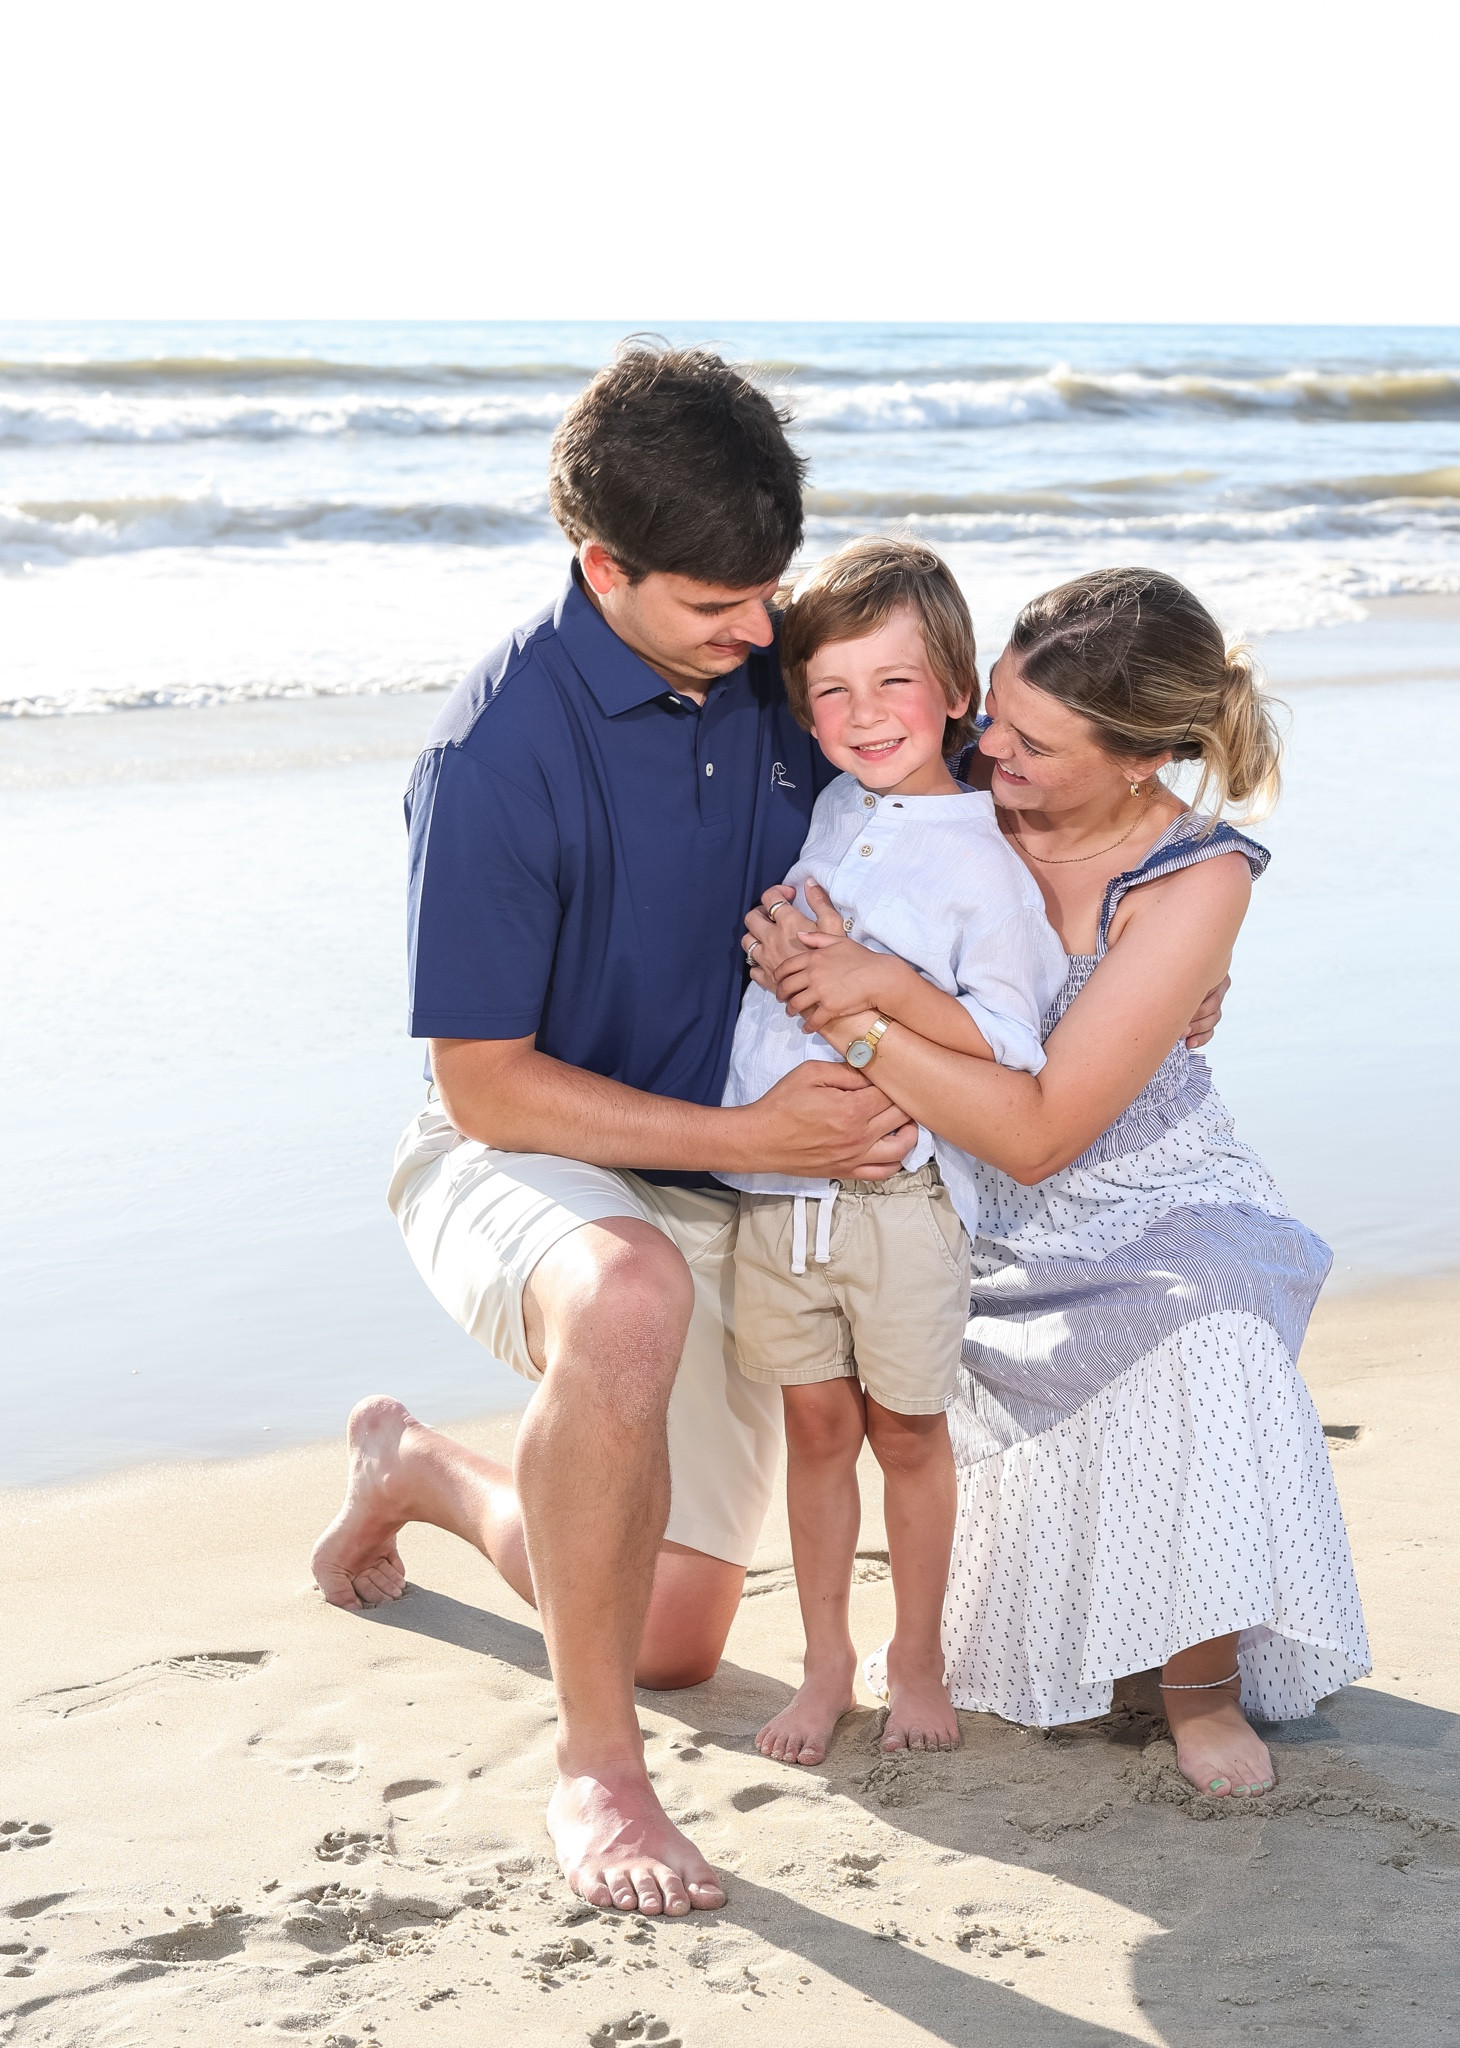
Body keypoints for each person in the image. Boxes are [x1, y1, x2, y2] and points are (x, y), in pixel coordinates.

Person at [309, 343, 926, 1920]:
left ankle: (418, 1470)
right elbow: (482, 1084)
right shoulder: (493, 754)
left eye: (768, 592)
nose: (757, 631)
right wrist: (754, 1135)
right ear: (602, 564)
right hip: (514, 1143)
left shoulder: (769, 657)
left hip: (719, 1156)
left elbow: (980, 801)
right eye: (718, 604)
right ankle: (595, 1776)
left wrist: (1159, 961)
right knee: (630, 1293)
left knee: (672, 1642)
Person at [746, 567, 1370, 1801]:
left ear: (1141, 759)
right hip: (948, 1184)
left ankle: (1199, 1686)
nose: (992, 746)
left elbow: (1042, 1135)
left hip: (1136, 1180)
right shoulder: (957, 781)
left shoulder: (1195, 875)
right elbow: (861, 660)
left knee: (1212, 1326)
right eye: (995, 715)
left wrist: (858, 1010)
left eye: (1033, 741)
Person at [717, 538, 1066, 1768]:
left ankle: (913, 1651)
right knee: (814, 1429)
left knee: (907, 1431)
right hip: (774, 1194)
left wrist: (866, 986)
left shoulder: (984, 862)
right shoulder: (821, 808)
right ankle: (825, 1658)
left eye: (895, 684)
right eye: (831, 689)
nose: (863, 716)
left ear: (959, 691)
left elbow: (1007, 1045)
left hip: (898, 1199)